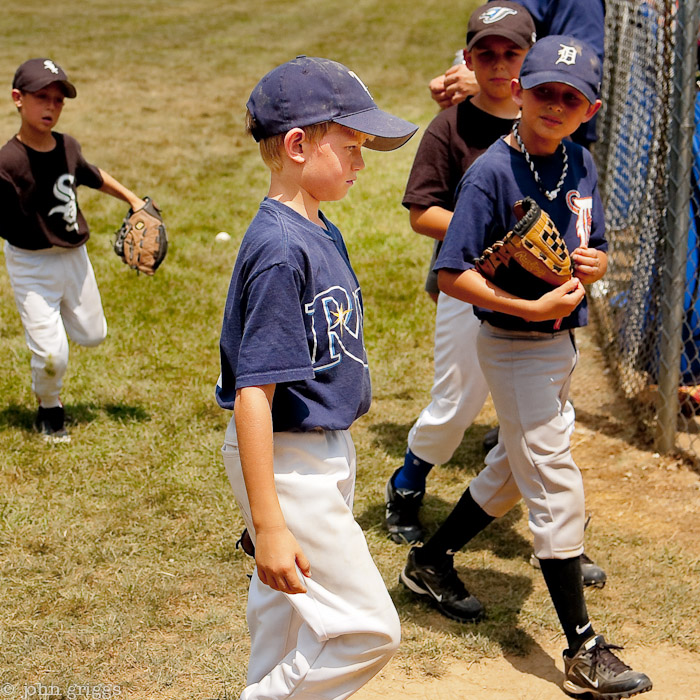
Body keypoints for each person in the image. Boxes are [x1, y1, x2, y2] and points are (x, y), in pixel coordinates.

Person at [399, 37, 653, 698]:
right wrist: (525, 305)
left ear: (588, 109)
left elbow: (586, 245)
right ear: (519, 93)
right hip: (511, 346)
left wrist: (593, 262)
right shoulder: (490, 171)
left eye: (570, 98)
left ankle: (428, 560)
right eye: (543, 91)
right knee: (553, 480)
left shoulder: (581, 163)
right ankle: (583, 647)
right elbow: (452, 273)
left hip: (559, 345)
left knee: (515, 470)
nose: (554, 104)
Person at [386, 3, 606, 589]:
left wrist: (593, 259)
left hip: (551, 323)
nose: (499, 63)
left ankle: (506, 545)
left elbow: (589, 229)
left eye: (511, 52)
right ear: (470, 61)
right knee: (459, 406)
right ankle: (409, 482)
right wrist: (488, 230)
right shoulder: (458, 131)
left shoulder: (566, 144)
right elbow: (424, 218)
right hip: (481, 291)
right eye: (487, 52)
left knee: (529, 445)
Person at [217, 56, 417, 700]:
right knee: (367, 627)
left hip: (319, 447)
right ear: (298, 145)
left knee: (283, 620)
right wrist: (270, 522)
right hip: (286, 454)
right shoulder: (281, 249)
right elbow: (254, 394)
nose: (362, 161)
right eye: (352, 145)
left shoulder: (316, 228)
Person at [0, 58, 147, 443]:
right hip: (31, 263)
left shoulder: (67, 146)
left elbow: (92, 174)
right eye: (41, 97)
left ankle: (51, 324)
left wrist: (133, 200)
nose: (51, 106)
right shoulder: (8, 162)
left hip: (74, 258)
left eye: (58, 100)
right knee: (53, 356)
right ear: (18, 98)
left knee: (94, 334)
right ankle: (50, 409)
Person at [429, 0, 605, 147]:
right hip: (493, 122)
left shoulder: (580, 4)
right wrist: (455, 80)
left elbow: (582, 68)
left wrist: (488, 81)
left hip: (556, 134)